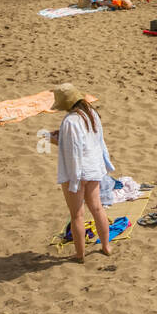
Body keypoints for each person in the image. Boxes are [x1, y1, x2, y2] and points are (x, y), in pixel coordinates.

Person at [48, 84, 113, 262]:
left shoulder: (70, 121)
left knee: (77, 214)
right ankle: (106, 246)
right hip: (93, 168)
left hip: (76, 172)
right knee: (97, 208)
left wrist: (54, 140)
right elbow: (92, 139)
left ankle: (80, 254)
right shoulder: (91, 113)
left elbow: (72, 152)